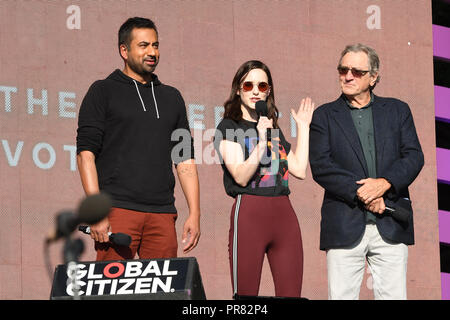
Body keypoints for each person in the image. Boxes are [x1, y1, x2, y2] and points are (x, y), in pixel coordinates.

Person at [76, 17, 201, 261]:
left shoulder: (172, 98)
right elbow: (85, 155)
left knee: (163, 295)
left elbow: (184, 157)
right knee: (111, 293)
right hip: (117, 209)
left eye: (155, 45)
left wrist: (195, 212)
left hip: (162, 213)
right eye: (143, 45)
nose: (152, 52)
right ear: (124, 50)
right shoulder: (102, 91)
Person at [309, 43, 424, 300]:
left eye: (357, 72)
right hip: (343, 225)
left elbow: (414, 156)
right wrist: (364, 193)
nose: (348, 76)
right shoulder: (324, 115)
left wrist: (384, 183)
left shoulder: (398, 110)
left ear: (374, 77)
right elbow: (321, 167)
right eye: (343, 69)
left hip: (391, 223)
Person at [214, 60, 314, 298]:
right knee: (246, 299)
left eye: (262, 85)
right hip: (250, 214)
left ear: (269, 90)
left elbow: (299, 169)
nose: (256, 90)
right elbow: (240, 175)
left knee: (291, 295)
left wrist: (304, 127)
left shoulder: (273, 130)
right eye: (248, 85)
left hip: (284, 216)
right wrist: (261, 140)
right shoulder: (228, 126)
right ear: (238, 89)